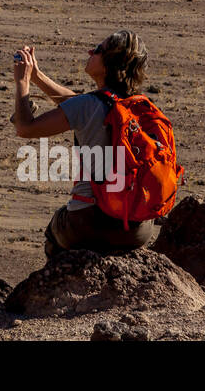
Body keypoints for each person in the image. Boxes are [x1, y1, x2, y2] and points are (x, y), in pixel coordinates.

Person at [10, 30, 158, 259]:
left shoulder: (89, 106)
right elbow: (78, 103)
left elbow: (25, 128)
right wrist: (37, 77)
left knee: (55, 231)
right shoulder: (141, 107)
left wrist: (22, 82)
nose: (91, 51)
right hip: (138, 228)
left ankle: (60, 286)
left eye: (98, 50)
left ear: (110, 62)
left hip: (89, 223)